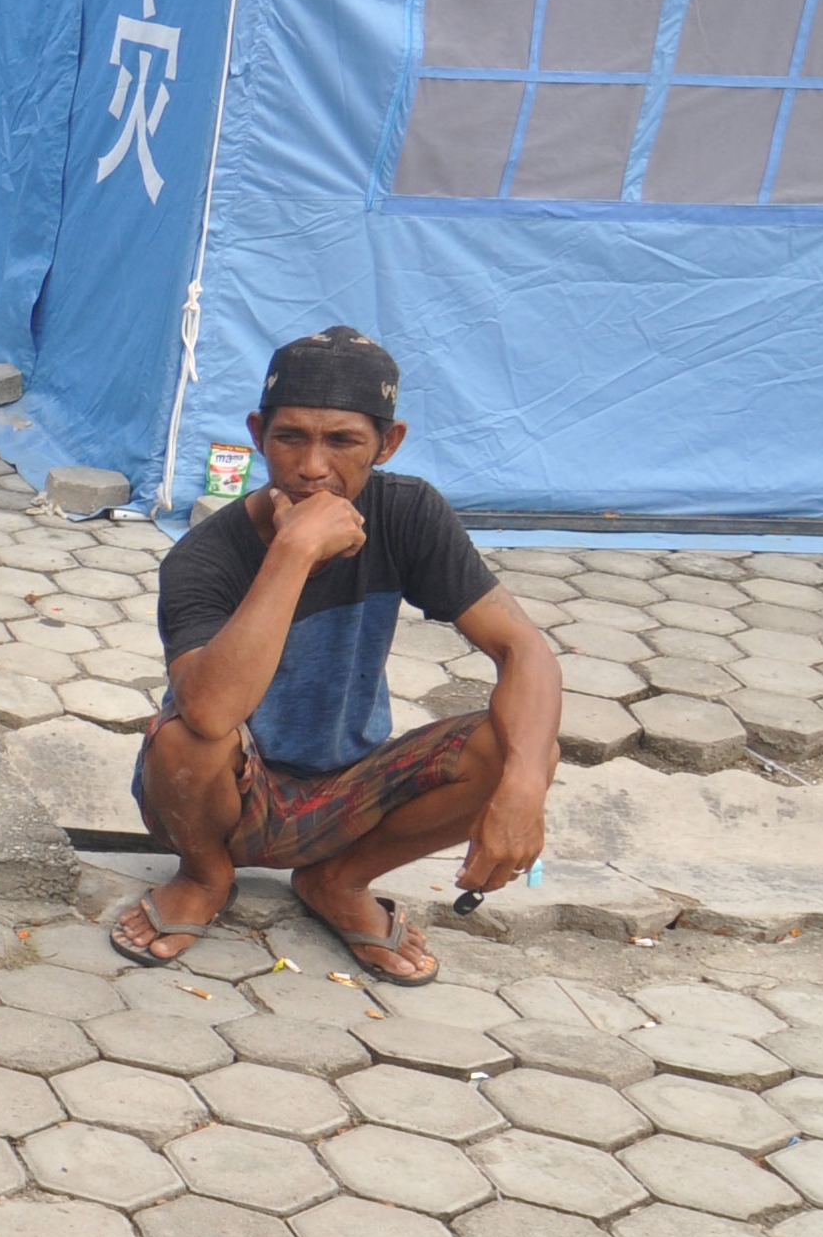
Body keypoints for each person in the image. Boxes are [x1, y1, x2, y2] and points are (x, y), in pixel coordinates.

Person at [112, 326, 561, 986]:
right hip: (224, 799)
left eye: (343, 441)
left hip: (352, 793)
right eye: (290, 437)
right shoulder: (204, 557)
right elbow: (207, 713)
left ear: (388, 443)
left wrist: (523, 788)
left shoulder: (408, 514)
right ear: (257, 434)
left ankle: (337, 881)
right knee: (184, 736)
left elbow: (523, 649)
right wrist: (292, 552)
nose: (313, 467)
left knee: (522, 746)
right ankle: (205, 878)